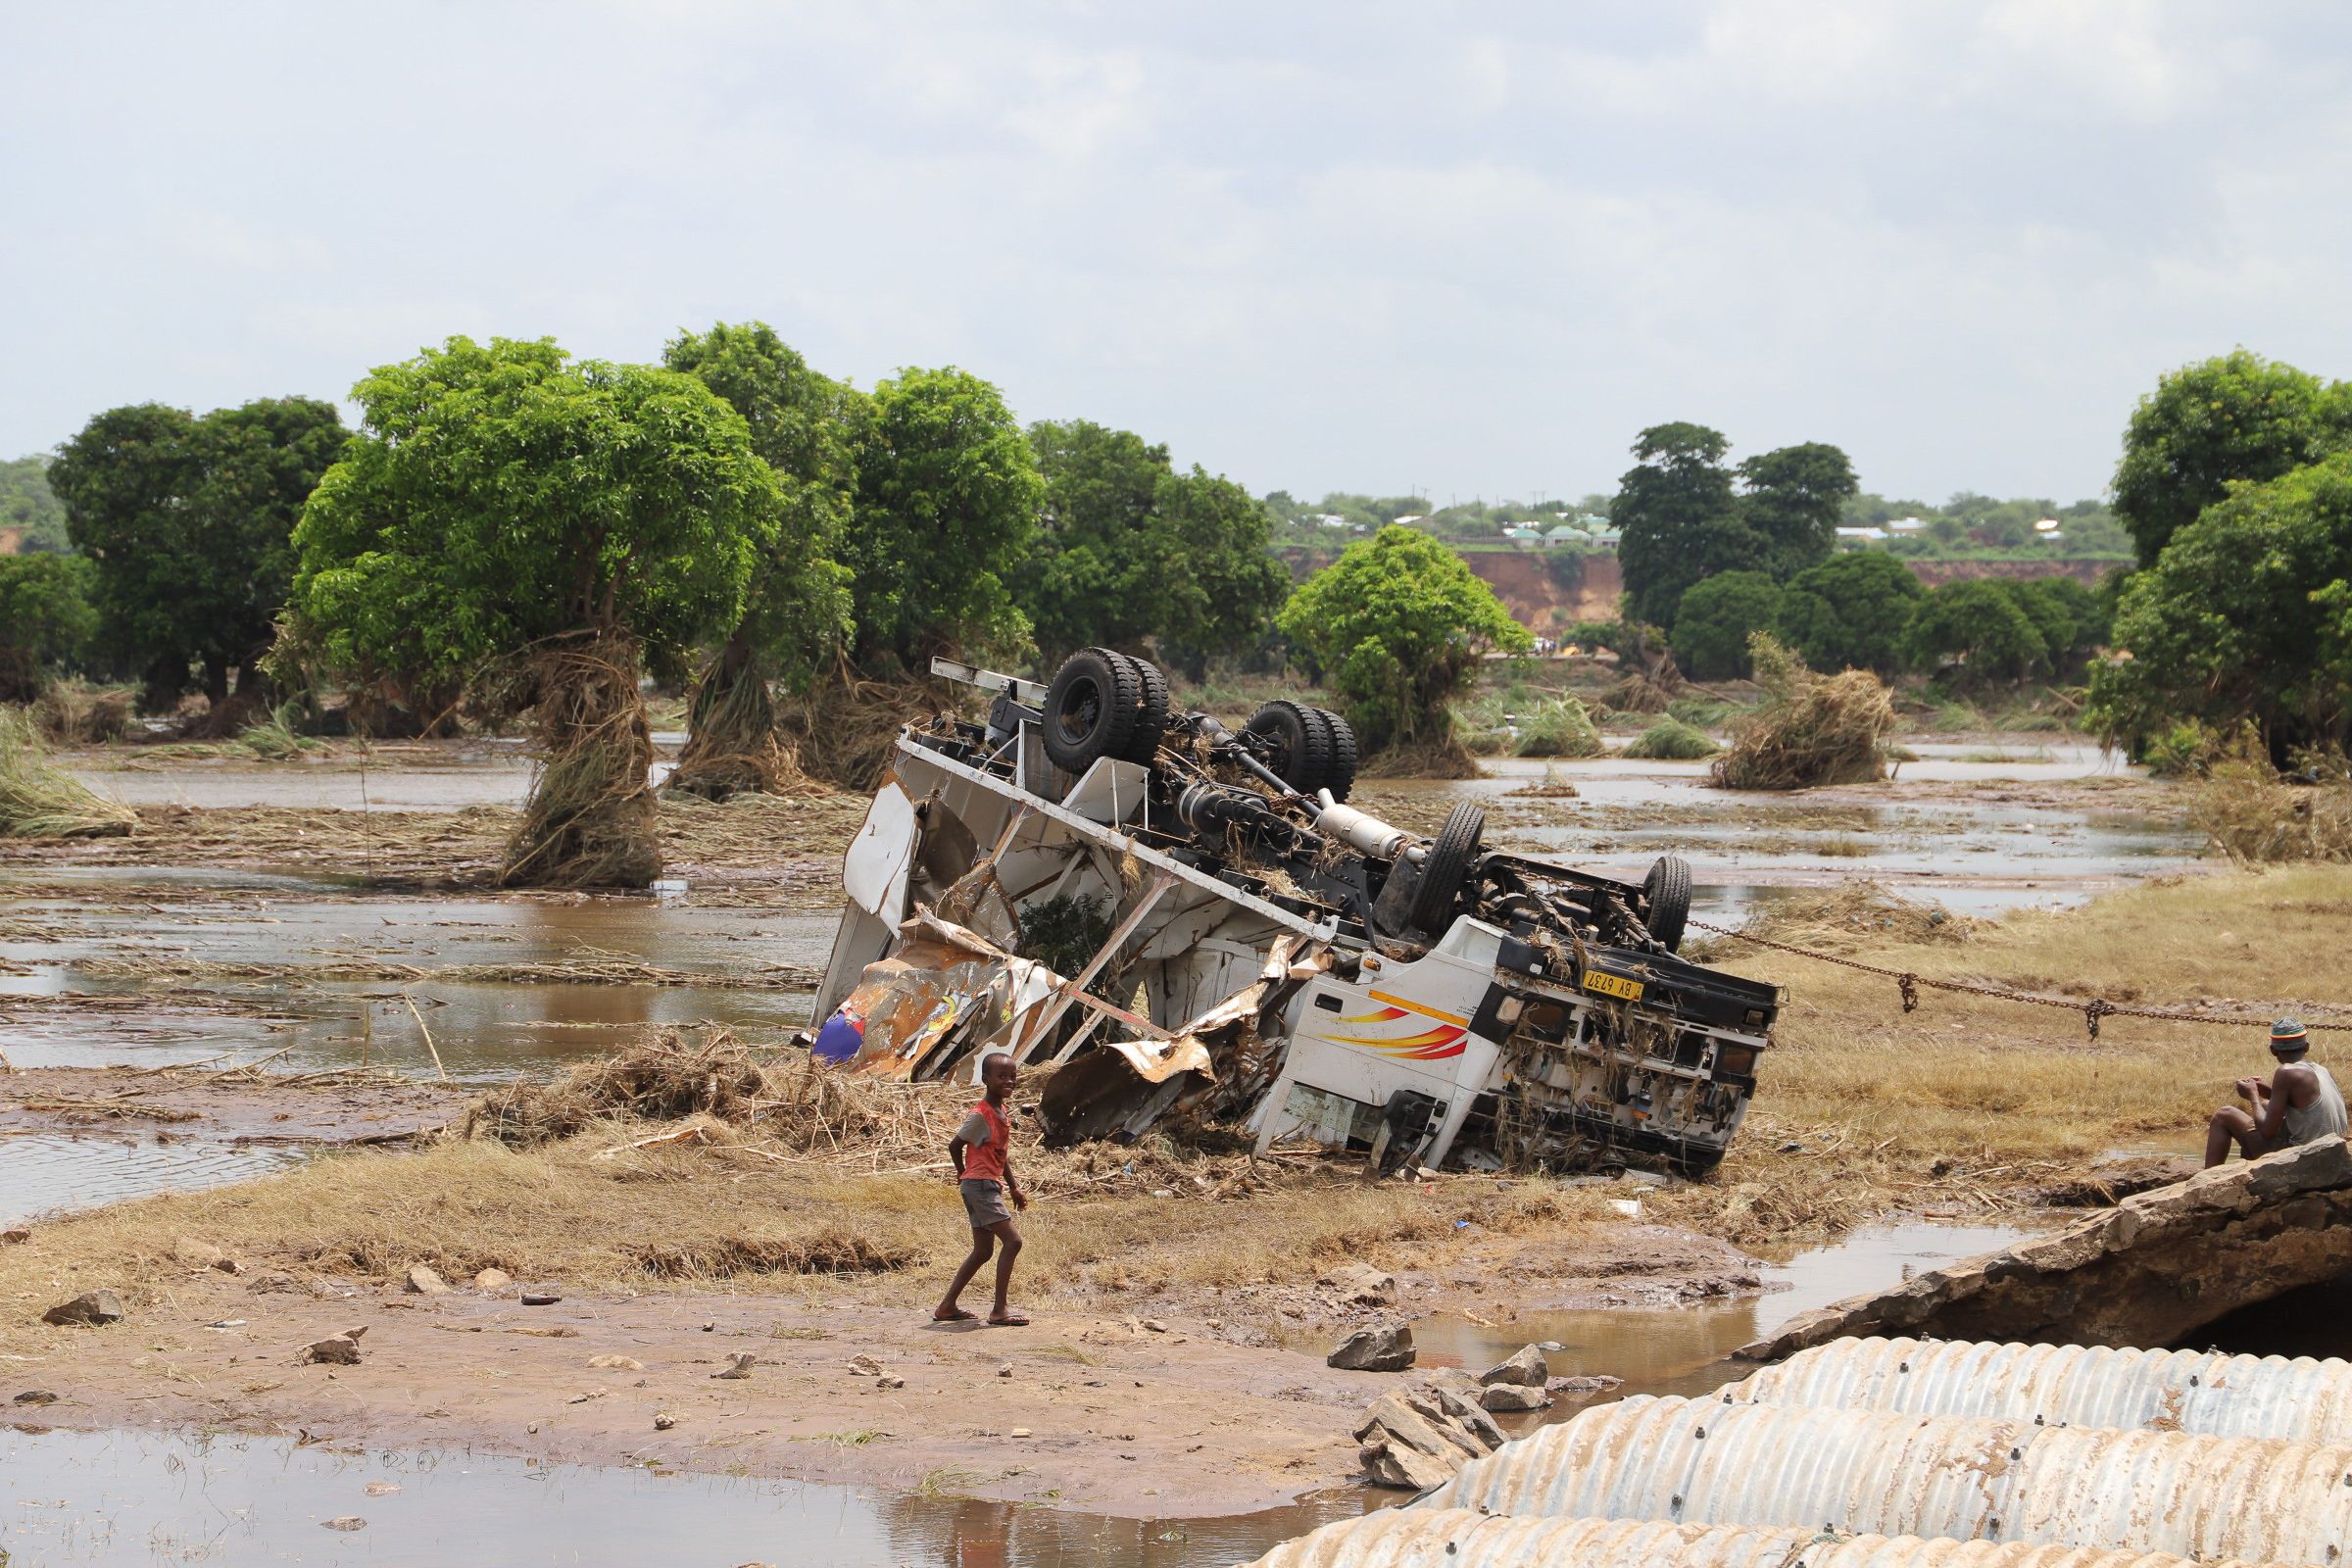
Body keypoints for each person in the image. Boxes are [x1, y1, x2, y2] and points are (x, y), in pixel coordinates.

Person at [933, 1052, 1030, 1327]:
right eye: (1002, 1077)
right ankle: (999, 1310)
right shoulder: (980, 1115)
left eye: (1012, 1076)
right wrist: (964, 1175)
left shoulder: (1001, 1112)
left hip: (986, 1185)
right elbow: (955, 1146)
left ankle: (947, 1307)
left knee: (983, 1251)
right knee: (1013, 1242)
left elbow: (1000, 1153)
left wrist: (1013, 1187)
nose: (1009, 1081)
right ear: (986, 1080)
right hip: (980, 1186)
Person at [2204, 1017, 2349, 1168]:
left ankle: (2207, 1180)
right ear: (2306, 1047)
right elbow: (2301, 1104)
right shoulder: (2322, 1070)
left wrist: (2253, 1095)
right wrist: (2267, 1092)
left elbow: (2267, 1131)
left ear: (2273, 1050)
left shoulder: (2285, 1072)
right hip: (2332, 1154)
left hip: (2305, 1160)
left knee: (2224, 1115)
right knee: (2266, 1105)